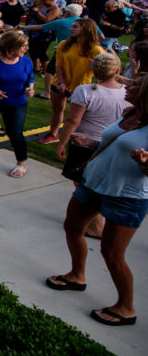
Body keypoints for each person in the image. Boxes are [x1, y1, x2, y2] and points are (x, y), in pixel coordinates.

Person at [45, 74, 148, 327]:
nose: (126, 85)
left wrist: (145, 163)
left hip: (127, 196)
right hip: (94, 183)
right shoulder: (130, 113)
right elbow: (115, 142)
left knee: (112, 253)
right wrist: (93, 142)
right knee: (72, 228)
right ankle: (77, 275)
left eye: (133, 84)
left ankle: (126, 307)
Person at [56, 53, 126, 239]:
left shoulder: (85, 91)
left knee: (84, 184)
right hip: (113, 145)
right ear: (118, 70)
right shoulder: (127, 91)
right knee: (100, 183)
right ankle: (96, 220)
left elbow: (72, 120)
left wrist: (62, 142)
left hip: (84, 143)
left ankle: (95, 226)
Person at [38, 18, 104, 145]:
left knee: (76, 117)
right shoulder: (64, 44)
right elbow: (59, 65)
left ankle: (75, 138)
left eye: (75, 27)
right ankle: (53, 133)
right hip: (59, 83)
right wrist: (61, 83)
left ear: (85, 29)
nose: (70, 29)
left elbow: (101, 71)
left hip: (81, 87)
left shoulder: (96, 50)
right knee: (57, 109)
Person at [0, 30, 36, 178]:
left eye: (27, 46)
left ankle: (21, 162)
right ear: (11, 46)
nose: (26, 49)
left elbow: (30, 78)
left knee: (15, 132)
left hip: (17, 102)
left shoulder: (26, 61)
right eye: (23, 46)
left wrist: (30, 88)